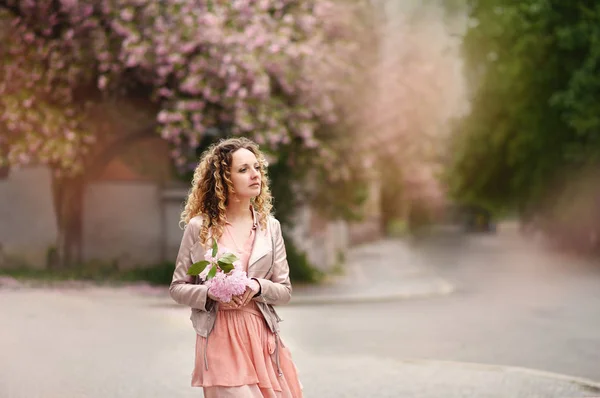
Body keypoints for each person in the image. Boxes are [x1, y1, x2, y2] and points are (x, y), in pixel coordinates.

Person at [169, 137, 303, 398]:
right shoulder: (200, 227)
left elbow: (285, 290)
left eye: (257, 168)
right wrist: (209, 293)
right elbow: (177, 287)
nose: (255, 175)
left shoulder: (270, 227)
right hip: (219, 334)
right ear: (224, 179)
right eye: (244, 170)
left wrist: (256, 286)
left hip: (262, 338)